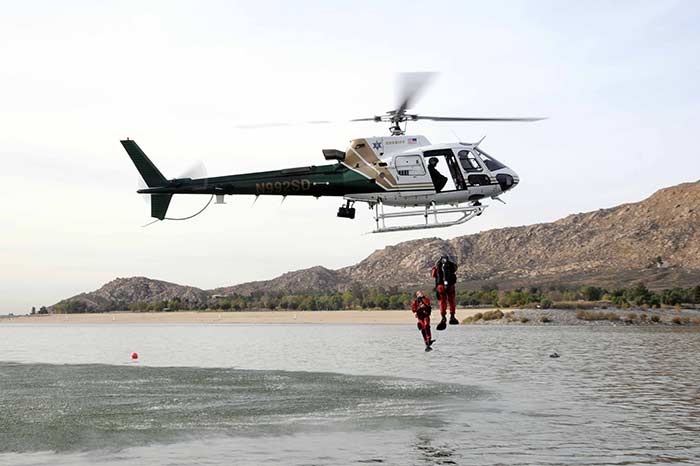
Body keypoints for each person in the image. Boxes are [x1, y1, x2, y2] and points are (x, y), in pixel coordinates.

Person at [432, 255, 459, 330]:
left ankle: (443, 317)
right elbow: (455, 269)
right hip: (450, 286)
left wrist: (436, 265)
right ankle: (452, 316)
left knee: (442, 302)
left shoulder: (438, 266)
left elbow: (433, 274)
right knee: (451, 301)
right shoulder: (451, 265)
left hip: (441, 286)